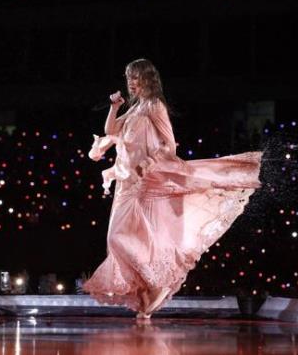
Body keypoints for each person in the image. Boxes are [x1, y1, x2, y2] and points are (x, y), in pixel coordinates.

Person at [83, 58, 262, 319]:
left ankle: (155, 284)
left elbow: (170, 145)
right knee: (116, 240)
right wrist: (115, 106)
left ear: (147, 79)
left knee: (133, 239)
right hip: (126, 184)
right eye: (128, 77)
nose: (131, 82)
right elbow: (111, 130)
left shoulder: (154, 105)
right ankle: (148, 286)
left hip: (147, 182)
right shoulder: (135, 109)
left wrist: (150, 161)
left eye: (135, 77)